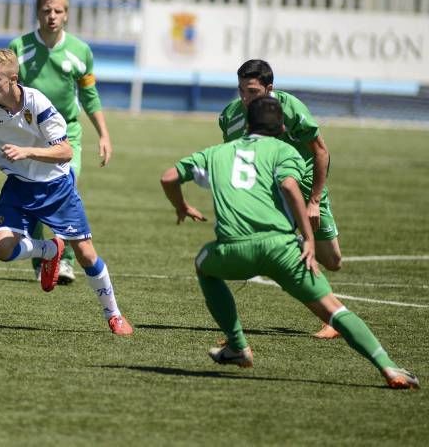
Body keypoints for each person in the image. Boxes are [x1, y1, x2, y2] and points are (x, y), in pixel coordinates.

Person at [161, 97, 418, 390]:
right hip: (282, 249)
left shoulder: (215, 153)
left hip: (233, 250)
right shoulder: (286, 151)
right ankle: (388, 367)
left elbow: (168, 177)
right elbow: (288, 185)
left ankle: (237, 345)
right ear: (282, 126)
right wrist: (308, 238)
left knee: (203, 266)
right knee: (333, 309)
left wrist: (181, 206)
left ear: (246, 124)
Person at [0, 48, 132, 336]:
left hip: (56, 188)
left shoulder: (38, 103)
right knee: (1, 248)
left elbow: (66, 151)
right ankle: (49, 249)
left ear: (12, 80)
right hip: (18, 187)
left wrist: (27, 151)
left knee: (85, 254)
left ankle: (114, 315)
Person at [219, 59, 342, 339]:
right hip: (273, 193)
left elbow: (321, 152)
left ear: (269, 88)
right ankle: (332, 319)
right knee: (281, 253)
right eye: (241, 91)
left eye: (252, 91)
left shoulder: (290, 109)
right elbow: (238, 158)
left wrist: (314, 200)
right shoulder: (230, 117)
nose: (245, 98)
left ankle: (299, 245)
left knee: (332, 260)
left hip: (307, 185)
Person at [8, 0, 112, 285]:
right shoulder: (19, 47)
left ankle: (65, 261)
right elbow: (6, 92)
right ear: (37, 13)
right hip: (30, 134)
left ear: (66, 15)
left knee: (63, 188)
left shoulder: (81, 52)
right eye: (46, 11)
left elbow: (89, 96)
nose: (52, 16)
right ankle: (44, 259)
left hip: (67, 133)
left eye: (58, 11)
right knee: (34, 198)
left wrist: (103, 134)